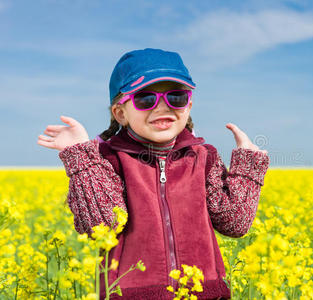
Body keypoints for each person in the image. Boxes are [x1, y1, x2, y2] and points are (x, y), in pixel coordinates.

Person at [37, 48, 270, 300]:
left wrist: (249, 165)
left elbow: (234, 223)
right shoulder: (107, 160)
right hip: (131, 294)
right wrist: (81, 158)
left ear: (189, 106)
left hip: (204, 293)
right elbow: (101, 226)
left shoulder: (203, 157)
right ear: (120, 113)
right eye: (146, 99)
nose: (162, 107)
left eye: (177, 97)